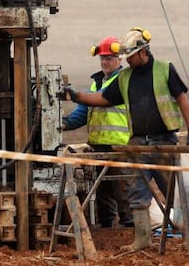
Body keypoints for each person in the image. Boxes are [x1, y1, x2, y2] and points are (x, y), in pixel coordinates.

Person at [60, 27, 189, 252]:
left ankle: (187, 236)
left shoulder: (164, 70)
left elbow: (182, 100)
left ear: (143, 52)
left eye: (130, 55)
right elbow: (103, 99)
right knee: (136, 189)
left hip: (164, 141)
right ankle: (142, 238)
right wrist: (77, 95)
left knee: (173, 190)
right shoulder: (125, 78)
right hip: (137, 142)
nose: (127, 59)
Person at [62, 36, 133, 228]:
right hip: (99, 145)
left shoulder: (125, 81)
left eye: (109, 58)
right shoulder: (96, 83)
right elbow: (83, 112)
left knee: (122, 185)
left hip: (120, 144)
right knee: (102, 187)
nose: (104, 62)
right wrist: (64, 124)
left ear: (120, 59)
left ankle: (129, 223)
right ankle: (107, 223)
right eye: (102, 58)